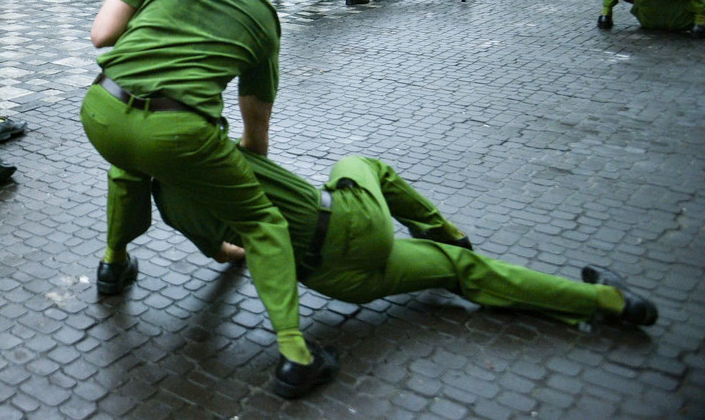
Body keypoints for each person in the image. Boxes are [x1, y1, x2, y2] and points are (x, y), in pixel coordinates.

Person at [81, 0, 337, 399]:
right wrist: (238, 168)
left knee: (129, 167)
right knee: (264, 223)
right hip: (179, 133)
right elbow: (255, 126)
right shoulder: (264, 16)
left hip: (101, 110)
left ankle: (113, 265)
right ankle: (294, 355)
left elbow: (102, 34)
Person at [151, 151, 658, 371]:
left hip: (336, 279)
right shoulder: (215, 149)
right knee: (361, 164)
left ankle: (604, 300)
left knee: (461, 275)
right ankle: (445, 230)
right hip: (357, 223)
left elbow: (225, 254)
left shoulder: (169, 205)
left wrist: (256, 246)